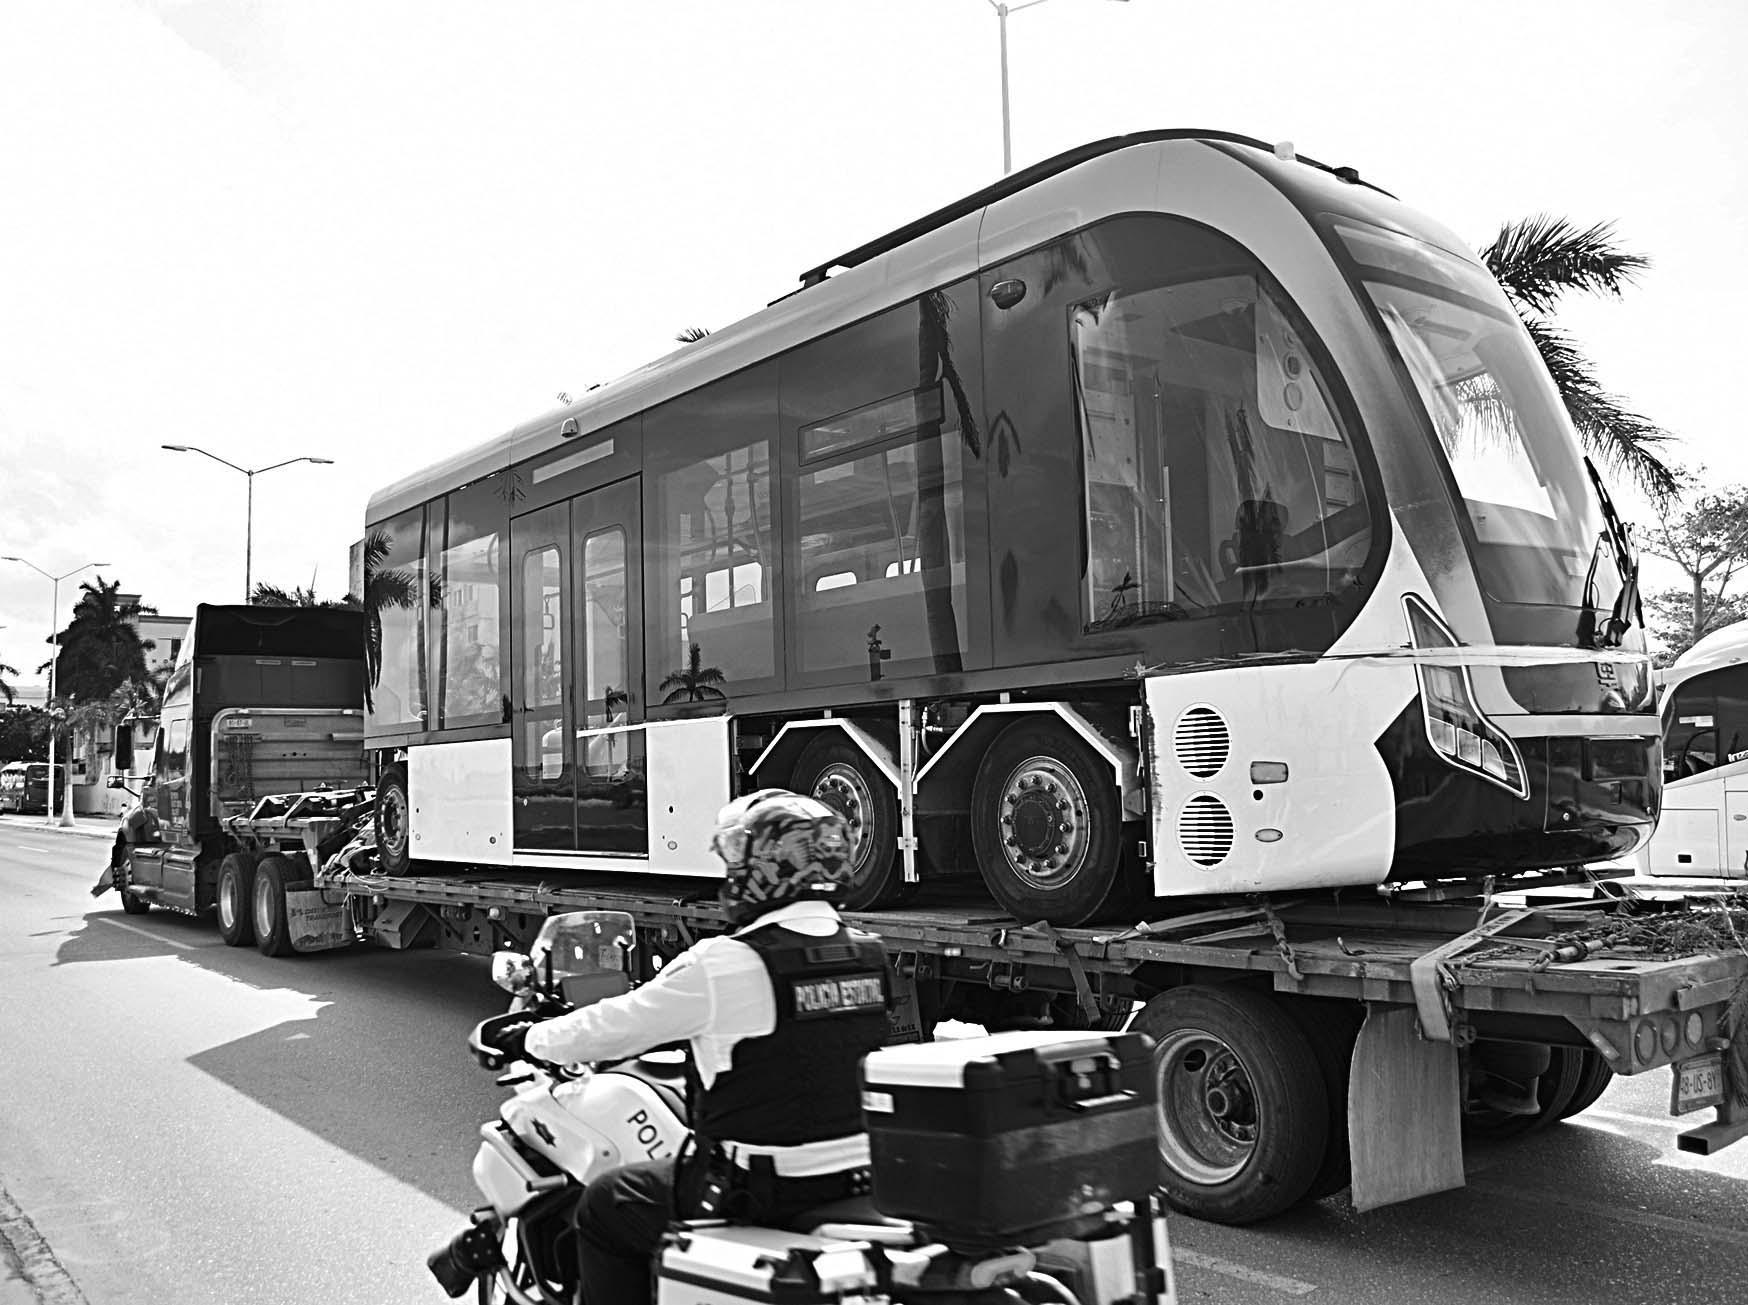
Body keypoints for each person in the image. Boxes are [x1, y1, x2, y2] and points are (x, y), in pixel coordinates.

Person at [480, 788, 892, 1303]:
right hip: (860, 1179)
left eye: (738, 860)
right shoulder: (869, 955)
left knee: (606, 1204)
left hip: (758, 1188)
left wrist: (528, 1037)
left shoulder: (726, 963)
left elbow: (617, 1023)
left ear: (766, 867)